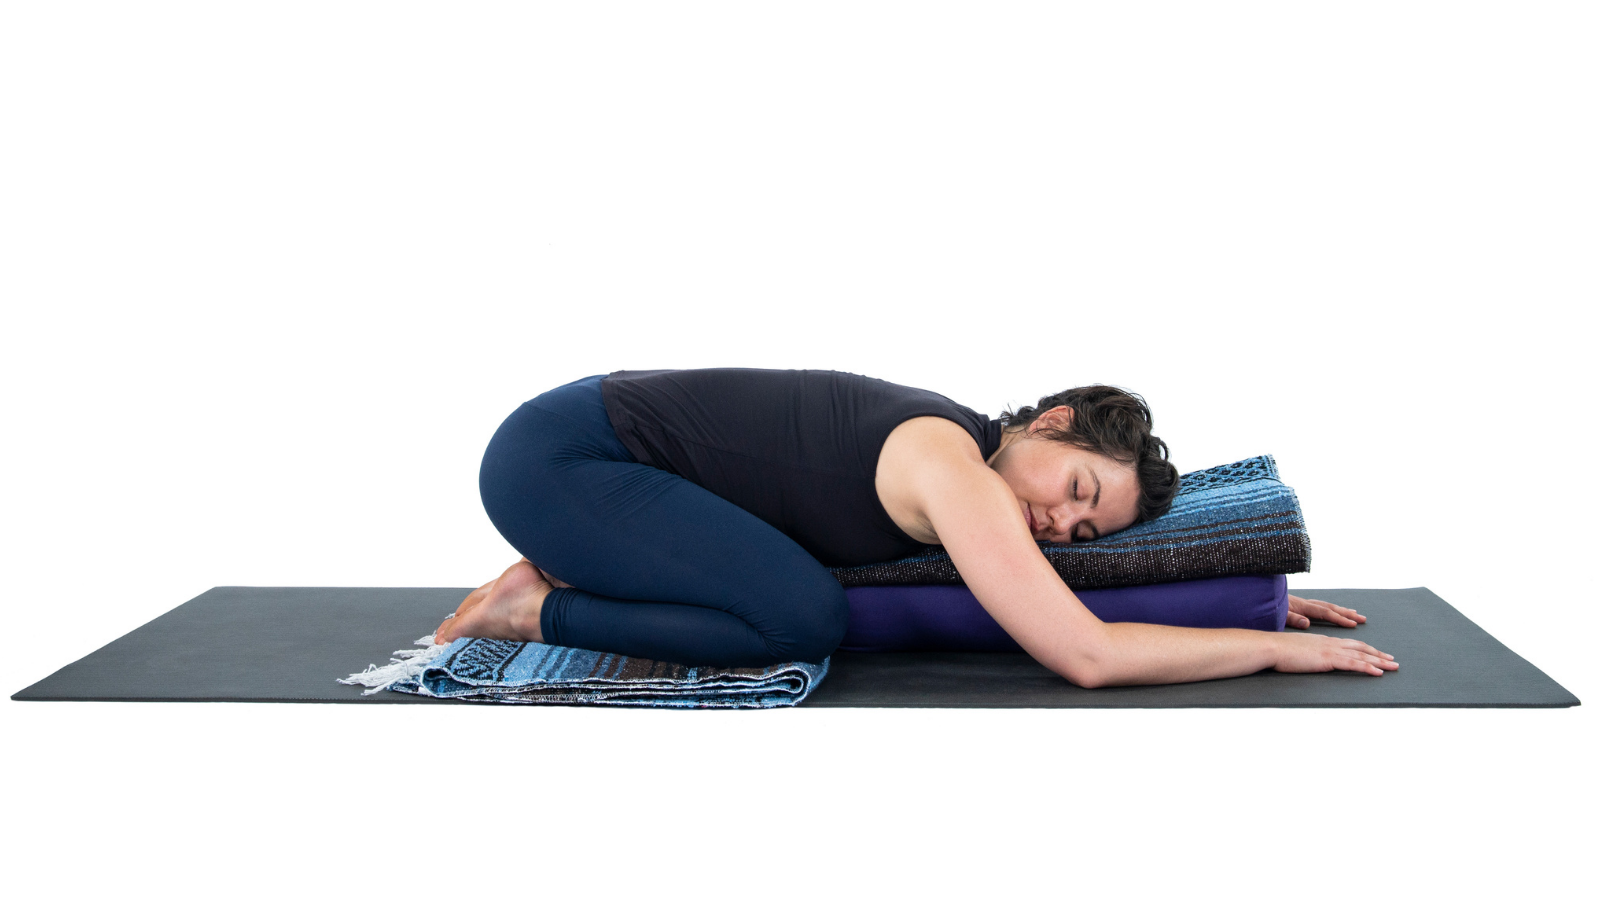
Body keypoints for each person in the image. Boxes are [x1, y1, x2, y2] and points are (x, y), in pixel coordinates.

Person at [434, 368, 1397, 686]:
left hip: (602, 462)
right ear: (1051, 424)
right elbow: (1087, 655)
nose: (1062, 524)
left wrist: (1228, 590)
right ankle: (532, 614)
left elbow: (1080, 589)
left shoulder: (979, 457)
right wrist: (1267, 651)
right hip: (564, 462)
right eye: (1074, 490)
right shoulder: (958, 475)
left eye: (1085, 529)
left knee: (793, 605)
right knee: (800, 623)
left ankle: (548, 592)